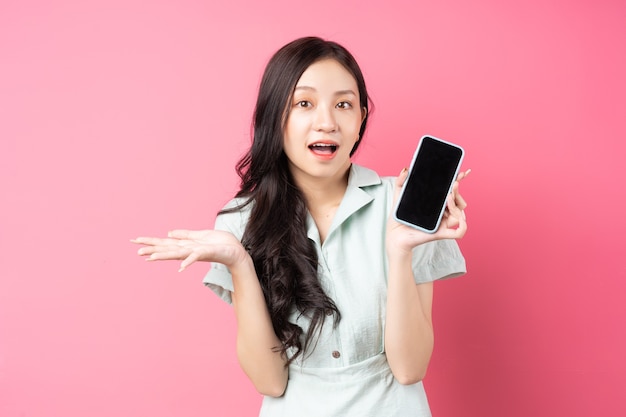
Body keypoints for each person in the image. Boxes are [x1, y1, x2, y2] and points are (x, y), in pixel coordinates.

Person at [132, 36, 469, 417]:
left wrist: (400, 252)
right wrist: (239, 263)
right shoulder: (239, 221)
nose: (327, 122)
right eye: (304, 103)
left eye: (343, 104)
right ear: (276, 117)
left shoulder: (402, 209)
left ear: (360, 119)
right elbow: (269, 381)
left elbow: (410, 369)